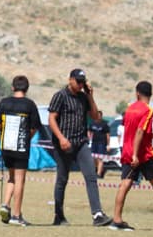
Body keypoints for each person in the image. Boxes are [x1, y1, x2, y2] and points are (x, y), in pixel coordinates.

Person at [48, 68, 112, 227]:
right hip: (63, 144)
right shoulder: (60, 96)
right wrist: (61, 138)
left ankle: (97, 215)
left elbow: (96, 117)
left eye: (82, 82)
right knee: (62, 179)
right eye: (78, 81)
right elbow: (51, 119)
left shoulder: (84, 97)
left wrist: (90, 96)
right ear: (70, 80)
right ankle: (59, 215)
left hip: (81, 143)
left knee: (91, 176)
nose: (80, 84)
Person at [110, 81, 153, 231]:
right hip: (142, 154)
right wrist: (135, 155)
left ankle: (117, 219)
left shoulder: (129, 109)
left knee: (125, 183)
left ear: (137, 93)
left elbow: (134, 131)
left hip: (127, 151)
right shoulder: (148, 110)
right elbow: (139, 132)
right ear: (150, 93)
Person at [0, 75, 41, 226]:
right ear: (26, 89)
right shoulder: (30, 105)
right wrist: (27, 137)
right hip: (21, 146)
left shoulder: (4, 102)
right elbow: (34, 127)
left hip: (6, 146)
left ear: (12, 87)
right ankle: (16, 215)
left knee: (11, 177)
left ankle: (6, 204)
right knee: (20, 179)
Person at [89, 110, 110, 178]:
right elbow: (89, 131)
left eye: (99, 115)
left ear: (101, 116)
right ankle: (98, 170)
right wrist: (89, 138)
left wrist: (108, 145)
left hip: (102, 143)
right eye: (97, 115)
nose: (98, 117)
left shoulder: (104, 124)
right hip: (94, 143)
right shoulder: (92, 123)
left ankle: (98, 174)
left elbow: (107, 135)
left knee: (100, 158)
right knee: (94, 158)